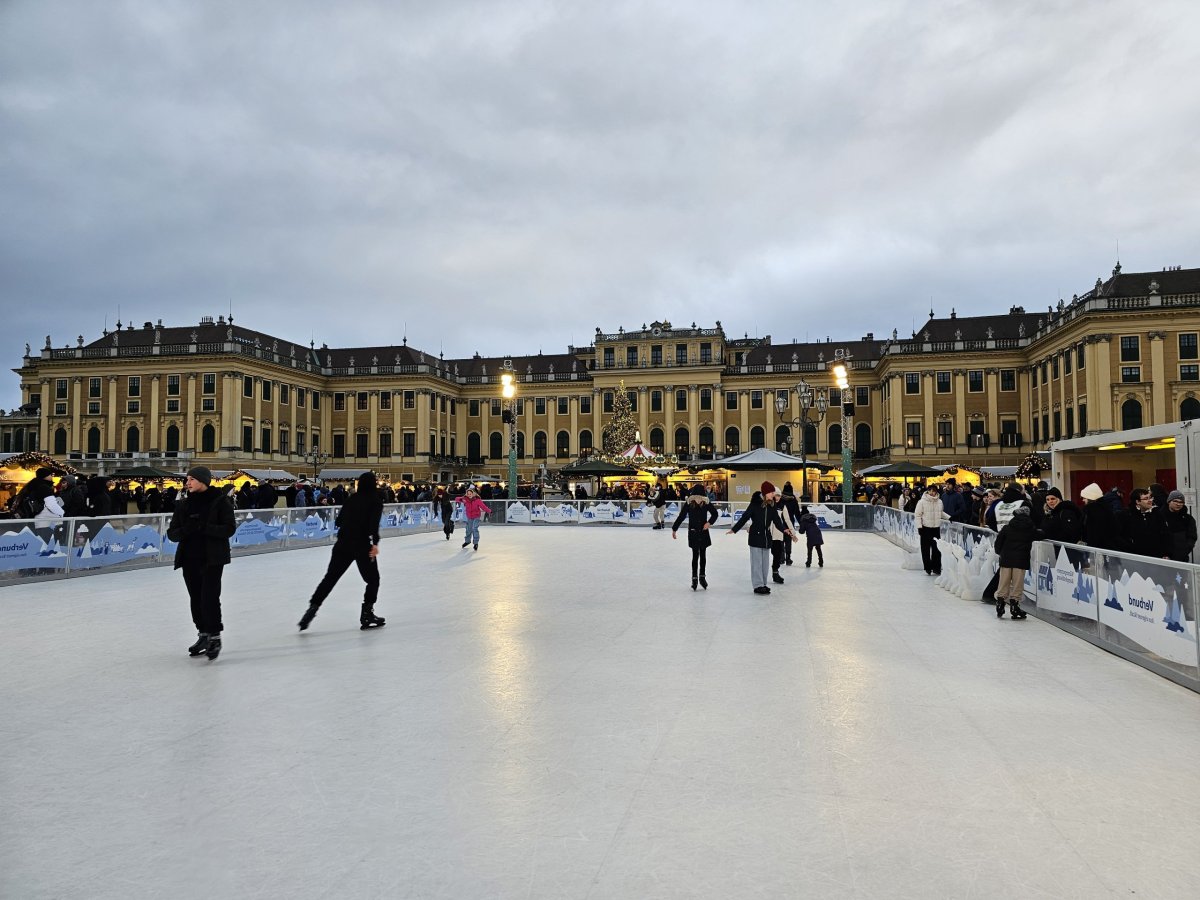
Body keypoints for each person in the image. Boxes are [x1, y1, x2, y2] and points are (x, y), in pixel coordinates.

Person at [298, 471, 386, 631]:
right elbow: (373, 526)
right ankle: (367, 613)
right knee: (373, 579)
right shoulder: (375, 501)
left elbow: (339, 521)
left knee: (330, 578)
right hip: (361, 545)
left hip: (343, 544)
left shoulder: (352, 499)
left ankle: (313, 607)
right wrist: (375, 544)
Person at [166, 466, 236, 661]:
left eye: (191, 479)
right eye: (187, 479)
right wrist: (187, 529)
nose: (187, 483)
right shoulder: (183, 505)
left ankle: (214, 636)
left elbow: (229, 529)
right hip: (189, 559)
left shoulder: (220, 502)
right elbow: (172, 533)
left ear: (203, 481)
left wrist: (205, 527)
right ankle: (203, 634)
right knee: (195, 598)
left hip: (212, 558)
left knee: (209, 598)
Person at [727, 481, 797, 595]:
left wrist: (784, 529)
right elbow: (745, 517)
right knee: (757, 563)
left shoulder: (772, 504)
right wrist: (734, 529)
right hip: (755, 536)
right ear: (765, 493)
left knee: (764, 563)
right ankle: (758, 585)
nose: (773, 494)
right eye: (771, 492)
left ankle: (763, 584)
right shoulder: (755, 504)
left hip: (766, 537)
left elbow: (777, 520)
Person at [672, 484, 720, 590]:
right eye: (696, 496)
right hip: (693, 532)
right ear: (693, 495)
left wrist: (709, 523)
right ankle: (694, 578)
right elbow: (681, 516)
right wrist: (674, 528)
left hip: (703, 532)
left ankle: (702, 577)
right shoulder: (689, 503)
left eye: (700, 496)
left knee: (703, 555)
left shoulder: (706, 503)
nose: (698, 498)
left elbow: (715, 514)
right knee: (695, 556)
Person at [992, 506, 1035, 619]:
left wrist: (1000, 552)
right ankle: (1015, 606)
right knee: (1017, 584)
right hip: (1021, 560)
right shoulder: (1030, 529)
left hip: (1006, 559)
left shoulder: (1007, 528)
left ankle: (1000, 603)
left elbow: (998, 542)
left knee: (1003, 582)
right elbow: (1040, 535)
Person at [1120, 488, 1170, 559]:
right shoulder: (1126, 515)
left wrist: (1166, 553)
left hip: (1156, 557)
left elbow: (1165, 535)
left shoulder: (1157, 514)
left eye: (1150, 498)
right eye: (1146, 498)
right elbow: (1121, 537)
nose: (1150, 501)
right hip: (1134, 557)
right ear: (1137, 501)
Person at [914, 485, 947, 576]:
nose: (932, 492)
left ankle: (936, 568)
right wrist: (919, 527)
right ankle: (928, 567)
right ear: (927, 491)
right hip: (925, 528)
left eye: (934, 491)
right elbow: (917, 515)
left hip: (936, 528)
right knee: (925, 549)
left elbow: (940, 512)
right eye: (930, 491)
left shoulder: (939, 501)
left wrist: (949, 517)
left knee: (937, 549)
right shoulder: (922, 502)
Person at [456, 483, 492, 551]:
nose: (469, 495)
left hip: (476, 516)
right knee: (468, 529)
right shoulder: (465, 500)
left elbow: (483, 507)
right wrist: (462, 498)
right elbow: (456, 499)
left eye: (470, 494)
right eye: (468, 494)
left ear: (473, 494)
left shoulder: (477, 500)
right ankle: (467, 541)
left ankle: (475, 543)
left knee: (474, 528)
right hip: (469, 517)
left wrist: (489, 511)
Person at [1164, 490, 1197, 563]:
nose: (1178, 504)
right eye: (1175, 501)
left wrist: (1184, 551)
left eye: (1181, 502)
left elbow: (1192, 537)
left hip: (1182, 558)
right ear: (1169, 501)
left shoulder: (1188, 519)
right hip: (1163, 558)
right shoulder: (1160, 517)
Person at [779, 483, 802, 565]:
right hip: (790, 523)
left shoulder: (780, 499)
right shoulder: (793, 500)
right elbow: (797, 514)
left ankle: (781, 558)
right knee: (788, 541)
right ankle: (788, 558)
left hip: (780, 523)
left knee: (781, 540)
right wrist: (802, 525)